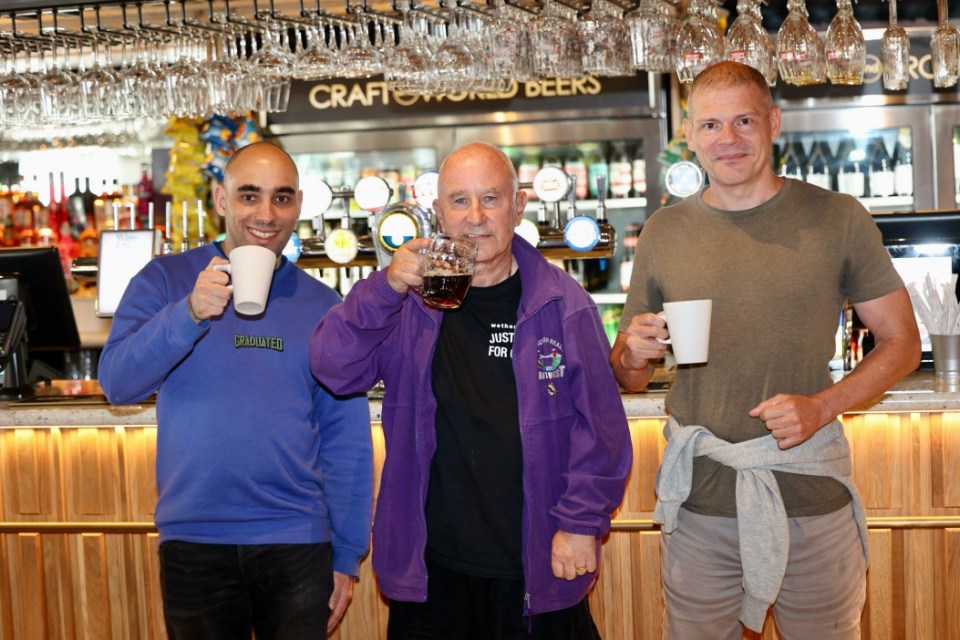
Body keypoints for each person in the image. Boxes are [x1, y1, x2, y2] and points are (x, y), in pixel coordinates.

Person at [611, 61, 920, 638]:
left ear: (773, 122)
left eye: (744, 120)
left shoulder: (837, 218)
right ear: (690, 135)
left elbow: (902, 344)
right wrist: (633, 352)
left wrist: (821, 408)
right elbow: (627, 375)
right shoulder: (663, 231)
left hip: (811, 496)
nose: (727, 139)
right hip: (699, 503)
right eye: (710, 126)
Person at [310, 141, 632, 639]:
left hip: (537, 564)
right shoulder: (407, 303)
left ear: (518, 206)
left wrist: (582, 522)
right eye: (459, 201)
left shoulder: (563, 304)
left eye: (491, 199)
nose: (475, 217)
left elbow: (603, 430)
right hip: (431, 570)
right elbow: (333, 367)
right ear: (439, 213)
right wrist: (384, 289)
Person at [98, 142, 373, 639]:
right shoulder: (165, 281)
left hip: (298, 541)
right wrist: (189, 313)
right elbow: (118, 383)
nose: (266, 214)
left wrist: (347, 553)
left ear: (298, 206)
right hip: (195, 541)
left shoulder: (324, 304)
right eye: (250, 196)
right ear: (222, 202)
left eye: (282, 198)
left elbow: (345, 437)